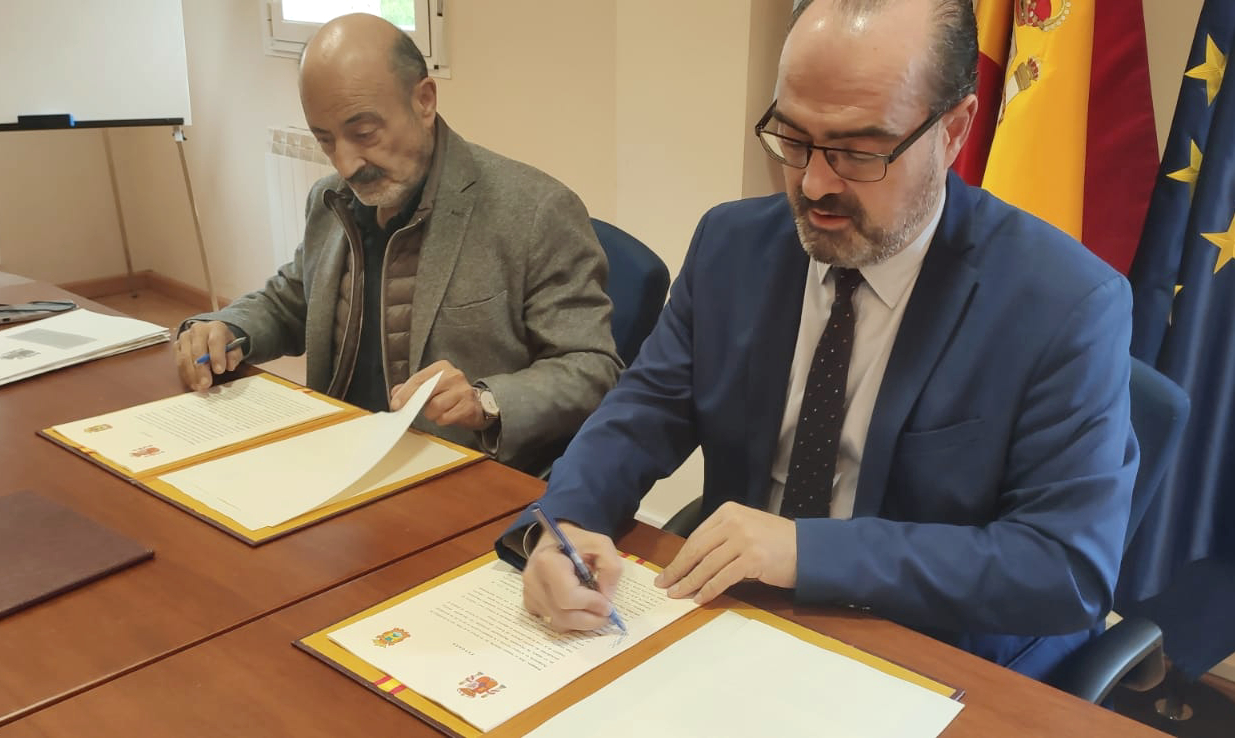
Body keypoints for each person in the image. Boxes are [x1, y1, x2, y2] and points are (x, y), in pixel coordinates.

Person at [500, 0, 1138, 683]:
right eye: (793, 139)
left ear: (954, 130)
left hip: (925, 653)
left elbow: (1063, 567)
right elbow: (641, 413)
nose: (813, 184)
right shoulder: (732, 245)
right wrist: (562, 527)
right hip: (731, 623)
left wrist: (810, 551)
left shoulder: (1063, 303)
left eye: (859, 151)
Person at [174, 14, 621, 473]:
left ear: (424, 100)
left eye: (364, 134)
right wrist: (229, 328)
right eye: (326, 141)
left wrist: (485, 401)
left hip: (456, 474)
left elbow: (592, 368)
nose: (346, 164)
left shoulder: (534, 211)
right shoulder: (331, 200)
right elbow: (293, 300)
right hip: (336, 457)